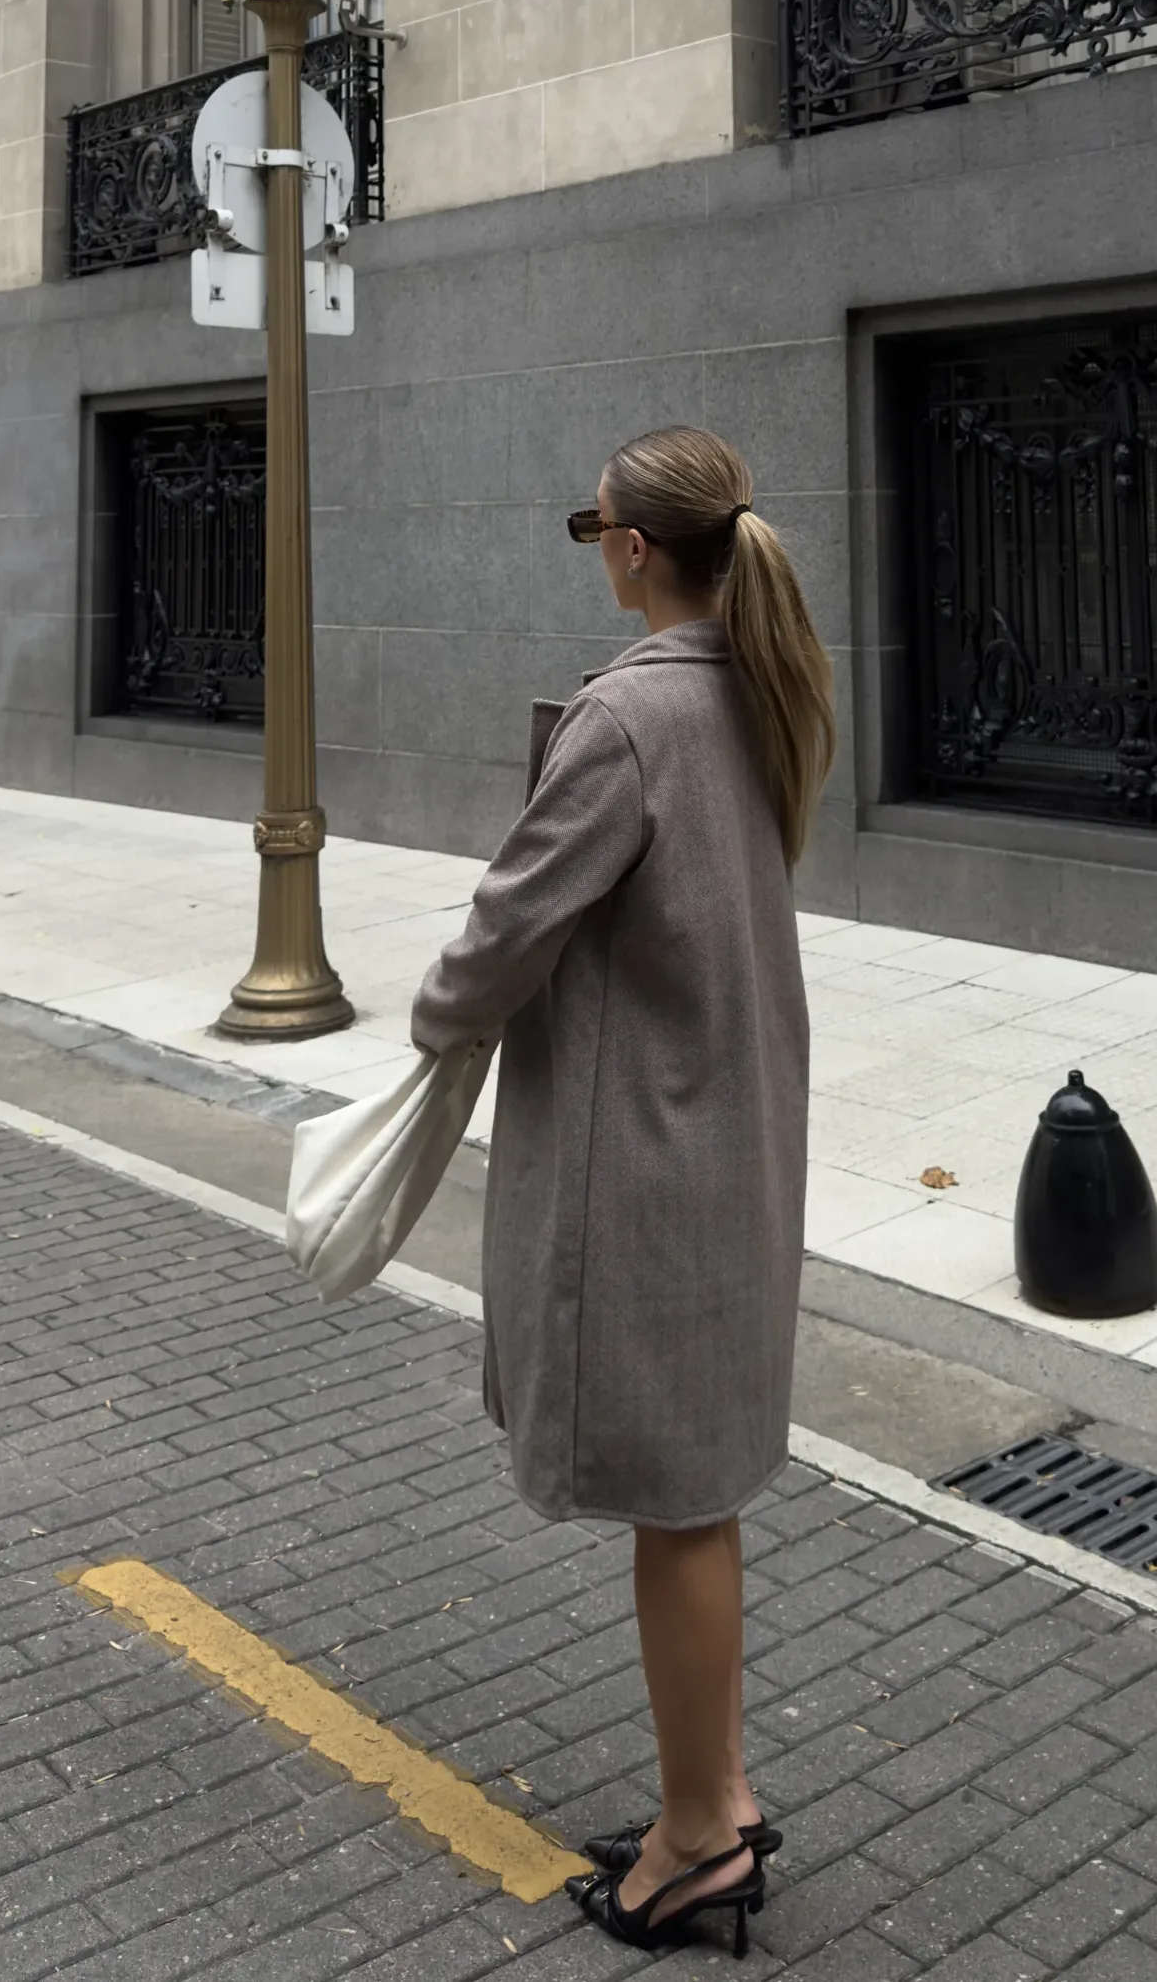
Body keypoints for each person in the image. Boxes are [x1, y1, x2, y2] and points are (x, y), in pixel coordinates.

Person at [408, 426, 836, 1959]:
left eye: (597, 525)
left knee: (678, 1505)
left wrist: (434, 1017)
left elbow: (514, 917)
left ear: (638, 549)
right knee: (698, 1493)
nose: (598, 548)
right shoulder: (761, 683)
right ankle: (717, 1788)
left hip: (651, 1152)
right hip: (731, 1126)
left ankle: (698, 1834)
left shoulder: (632, 714)